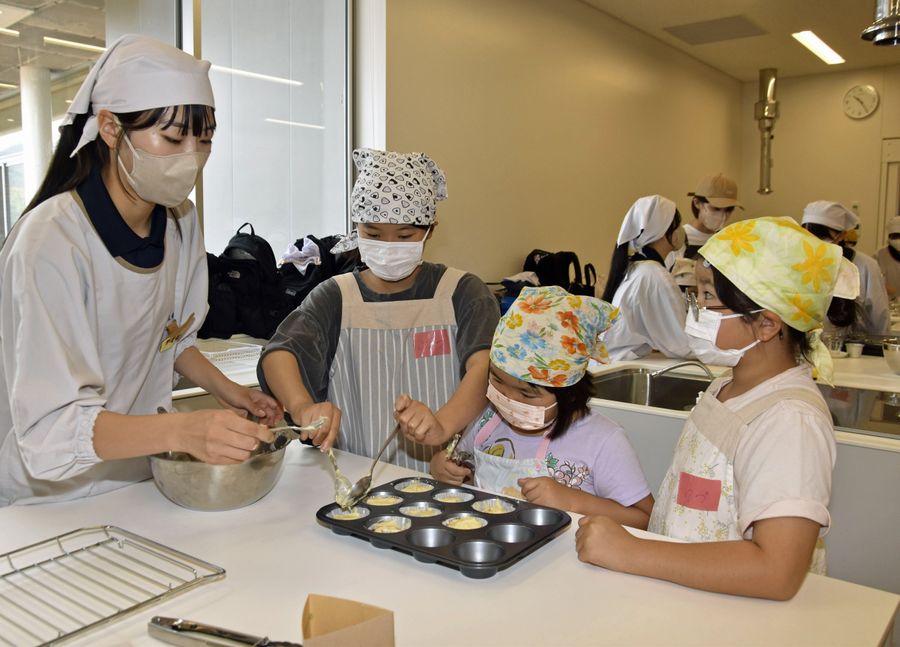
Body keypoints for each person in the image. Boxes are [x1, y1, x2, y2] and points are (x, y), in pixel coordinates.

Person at [0, 35, 281, 507]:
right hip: (47, 499)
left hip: (139, 479)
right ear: (110, 128)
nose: (191, 154)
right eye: (172, 137)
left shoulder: (179, 222)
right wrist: (185, 428)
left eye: (204, 137)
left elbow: (171, 338)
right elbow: (53, 428)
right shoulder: (52, 242)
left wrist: (231, 392)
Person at [576, 217, 860, 600]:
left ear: (766, 324)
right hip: (691, 591)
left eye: (707, 298)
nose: (696, 310)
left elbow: (776, 570)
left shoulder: (791, 422)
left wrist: (633, 550)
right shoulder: (727, 384)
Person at [259, 148, 500, 473]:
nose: (388, 246)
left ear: (430, 230)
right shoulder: (335, 297)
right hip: (358, 476)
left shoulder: (462, 293)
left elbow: (484, 369)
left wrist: (441, 426)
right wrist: (303, 408)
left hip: (448, 479)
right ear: (356, 227)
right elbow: (281, 353)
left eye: (404, 236)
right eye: (373, 234)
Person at [430, 286, 653, 527]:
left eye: (527, 394)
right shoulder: (486, 421)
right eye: (497, 381)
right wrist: (443, 468)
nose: (508, 400)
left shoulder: (603, 441)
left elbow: (644, 519)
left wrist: (573, 502)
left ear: (569, 393)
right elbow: (463, 466)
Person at [601, 195, 693, 360]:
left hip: (614, 362)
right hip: (621, 364)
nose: (681, 230)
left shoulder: (638, 268)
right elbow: (681, 345)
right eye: (677, 225)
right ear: (664, 231)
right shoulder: (654, 274)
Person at [801, 200, 890, 336]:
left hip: (851, 349)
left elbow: (879, 317)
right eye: (808, 234)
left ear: (841, 235)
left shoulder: (865, 266)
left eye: (821, 234)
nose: (815, 240)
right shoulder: (796, 261)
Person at [682, 173, 742, 259]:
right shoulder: (678, 239)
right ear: (697, 203)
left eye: (728, 209)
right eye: (716, 208)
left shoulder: (727, 241)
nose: (722, 216)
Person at [875, 215, 900, 300]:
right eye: (895, 236)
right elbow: (873, 281)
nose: (898, 240)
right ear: (889, 237)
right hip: (888, 304)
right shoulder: (879, 255)